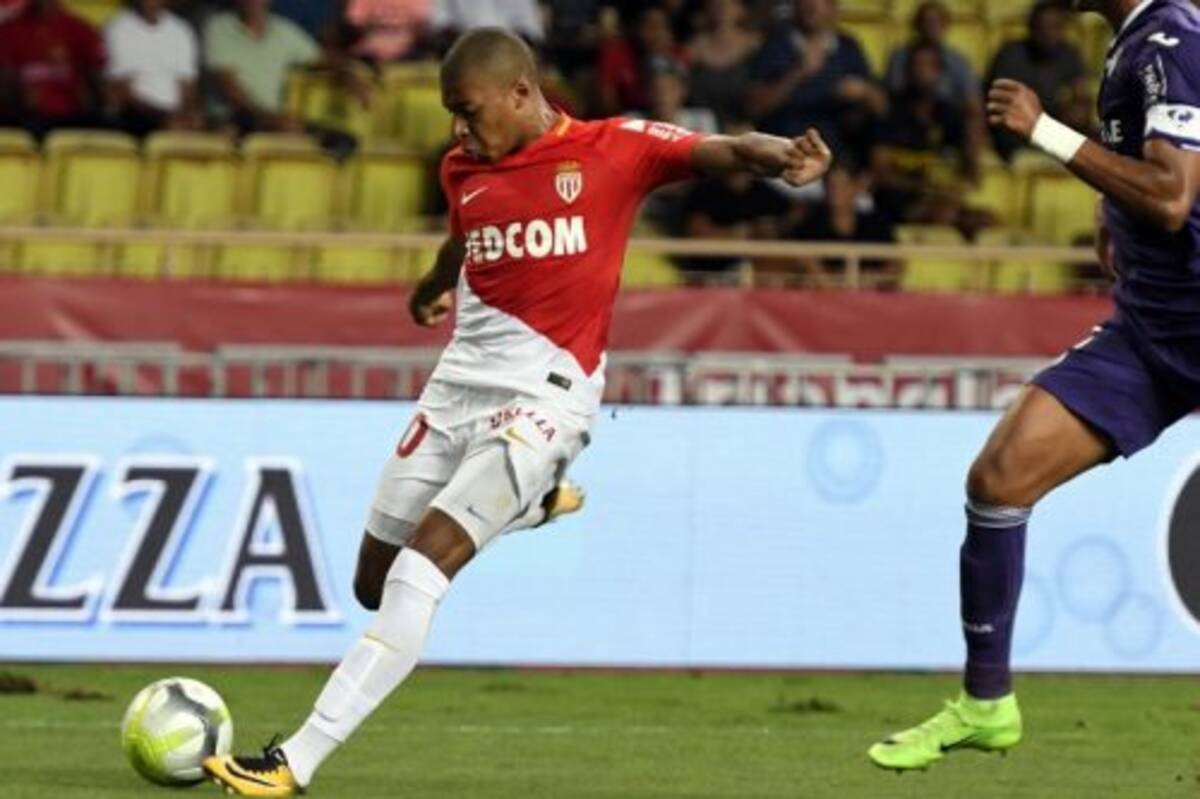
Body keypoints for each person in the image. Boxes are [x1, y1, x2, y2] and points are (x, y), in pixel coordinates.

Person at [201, 26, 832, 796]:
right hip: (455, 390)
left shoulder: (612, 150)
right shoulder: (461, 167)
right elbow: (462, 238)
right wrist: (432, 285)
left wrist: (783, 155)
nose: (457, 128)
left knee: (419, 573)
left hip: (545, 399)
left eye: (467, 110)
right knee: (372, 580)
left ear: (521, 92)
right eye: (450, 113)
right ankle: (529, 505)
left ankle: (292, 762)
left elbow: (723, 149)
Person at [869, 0, 1200, 771]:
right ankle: (986, 704)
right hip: (1153, 333)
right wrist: (1110, 206)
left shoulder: (1172, 41)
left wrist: (1046, 131)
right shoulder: (1136, 44)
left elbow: (1171, 195)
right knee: (998, 478)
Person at [746, 0, 885, 164]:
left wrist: (864, 92)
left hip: (835, 157)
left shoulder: (847, 47)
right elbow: (754, 107)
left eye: (820, 2)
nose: (810, 5)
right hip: (783, 152)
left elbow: (881, 106)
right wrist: (797, 73)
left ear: (833, 7)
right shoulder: (775, 44)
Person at [986, 0, 1089, 159]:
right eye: (1042, 27)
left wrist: (1075, 109)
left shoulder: (1070, 56)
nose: (1048, 33)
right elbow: (1003, 106)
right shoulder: (1011, 56)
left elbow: (1080, 97)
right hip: (1016, 133)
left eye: (1055, 27)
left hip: (1054, 130)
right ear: (1031, 28)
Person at [0, 0, 105, 136]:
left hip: (73, 116)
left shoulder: (79, 28)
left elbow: (95, 78)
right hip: (24, 118)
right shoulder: (9, 30)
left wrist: (90, 96)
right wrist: (17, 96)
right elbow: (5, 79)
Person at [104, 0, 202, 136]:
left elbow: (188, 85)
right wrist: (165, 117)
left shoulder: (182, 29)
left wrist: (187, 114)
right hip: (134, 114)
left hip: (173, 114)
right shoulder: (117, 27)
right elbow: (121, 92)